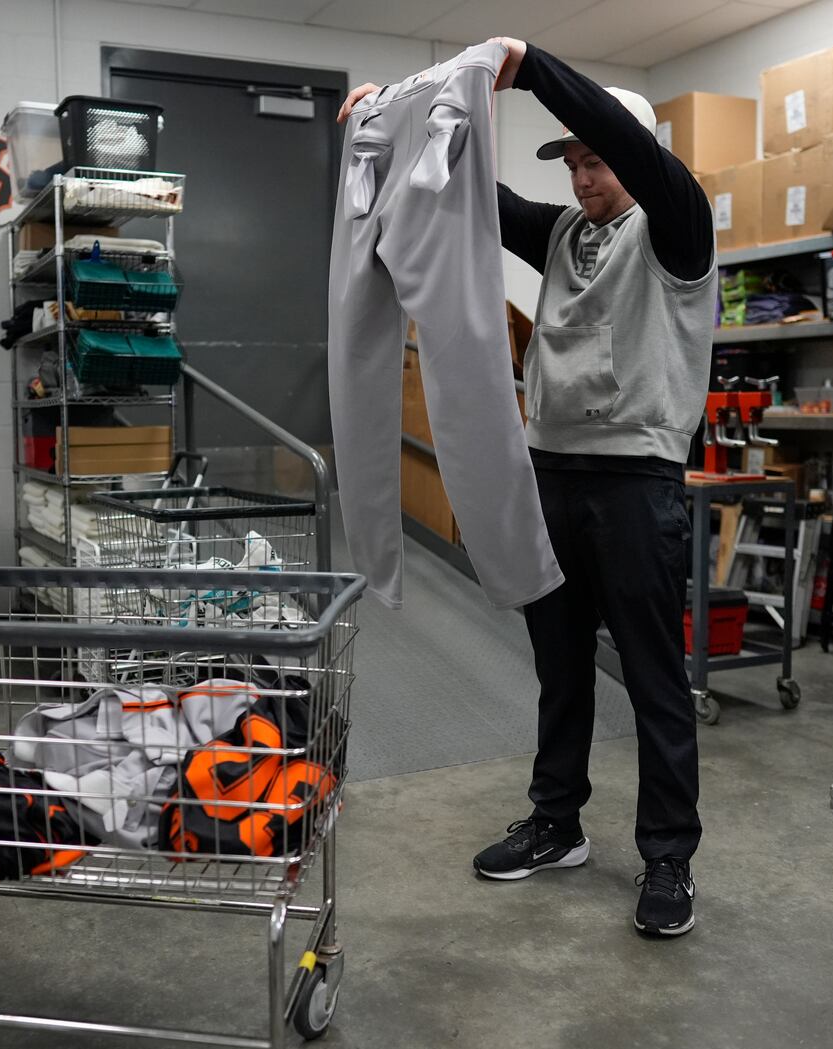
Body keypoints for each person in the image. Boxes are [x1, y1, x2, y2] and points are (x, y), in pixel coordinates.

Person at [338, 38, 716, 937]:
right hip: (550, 474)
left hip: (636, 482)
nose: (586, 178)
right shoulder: (564, 234)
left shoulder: (676, 226)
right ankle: (557, 822)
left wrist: (531, 66)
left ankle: (668, 858)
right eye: (575, 163)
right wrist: (383, 128)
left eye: (597, 160)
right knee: (559, 666)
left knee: (656, 679)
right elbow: (475, 204)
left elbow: (632, 162)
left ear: (631, 157)